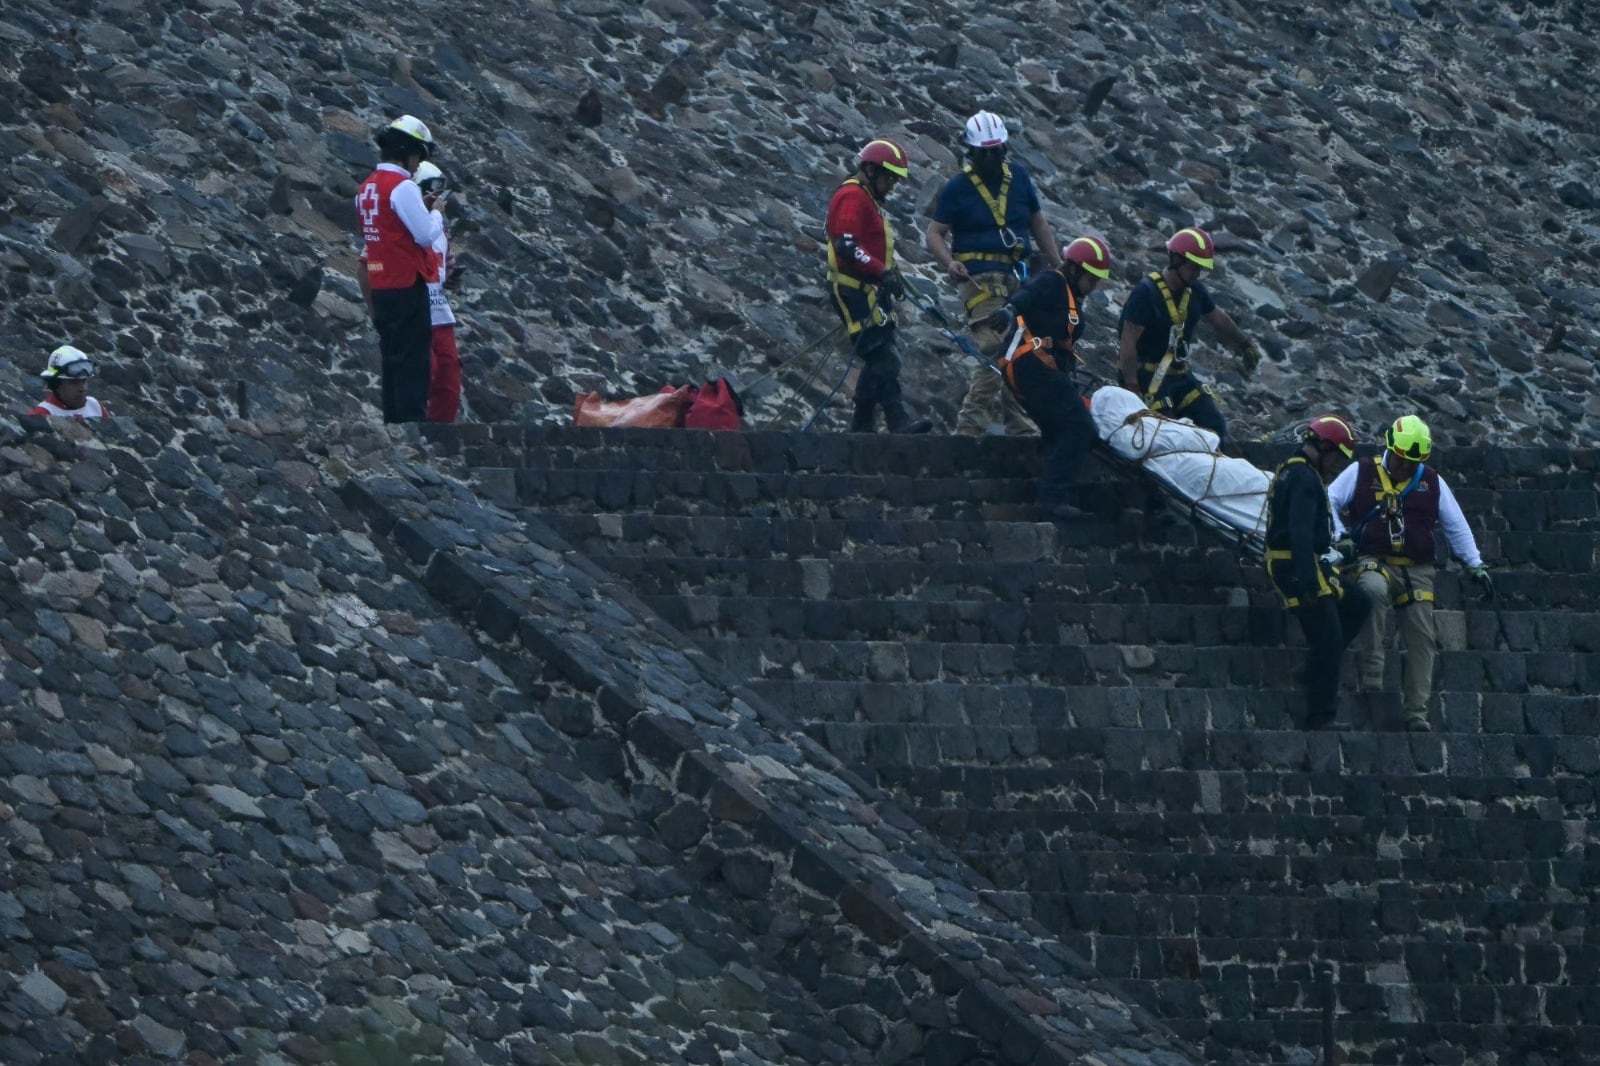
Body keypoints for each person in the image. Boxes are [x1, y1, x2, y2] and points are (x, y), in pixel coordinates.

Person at [1329, 414, 1494, 731]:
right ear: (1390, 447)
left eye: (1411, 462)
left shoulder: (1431, 481)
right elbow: (1329, 498)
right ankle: (1373, 672)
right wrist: (1340, 535)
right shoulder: (1362, 471)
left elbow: (1455, 524)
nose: (1405, 467)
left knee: (1423, 638)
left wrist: (1475, 564)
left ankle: (1416, 712)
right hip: (1373, 560)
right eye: (1401, 460)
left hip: (1417, 570)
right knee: (1373, 591)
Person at [926, 111, 1060, 437]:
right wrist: (949, 263)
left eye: (996, 151)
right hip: (980, 280)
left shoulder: (1019, 178)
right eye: (984, 153)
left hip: (1018, 277)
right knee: (996, 349)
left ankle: (1020, 427)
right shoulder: (958, 187)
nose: (991, 158)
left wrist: (1058, 263)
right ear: (971, 153)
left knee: (1021, 350)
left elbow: (1037, 222)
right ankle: (969, 428)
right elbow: (934, 233)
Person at [985, 237, 1111, 520]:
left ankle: (1053, 492)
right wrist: (1009, 311)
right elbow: (1025, 296)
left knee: (1060, 430)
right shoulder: (1053, 282)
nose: (1094, 286)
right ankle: (1052, 499)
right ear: (1075, 270)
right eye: (1092, 279)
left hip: (1041, 369)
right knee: (1080, 427)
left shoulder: (1069, 295)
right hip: (1030, 366)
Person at [1263, 416, 1372, 730]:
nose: (1337, 465)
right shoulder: (1304, 480)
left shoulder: (1298, 472)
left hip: (1305, 563)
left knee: (1359, 603)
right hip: (1297, 567)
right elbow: (1298, 533)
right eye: (1337, 456)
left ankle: (1315, 667)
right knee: (1328, 638)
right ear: (1323, 448)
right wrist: (1309, 584)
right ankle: (1321, 716)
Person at [825, 137, 931, 434]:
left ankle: (861, 427)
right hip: (853, 290)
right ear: (871, 170)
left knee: (881, 356)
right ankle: (896, 421)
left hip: (869, 290)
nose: (892, 186)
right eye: (890, 178)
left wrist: (890, 275)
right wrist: (880, 271)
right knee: (883, 357)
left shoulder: (867, 199)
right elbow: (847, 245)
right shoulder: (853, 197)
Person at [1116, 227, 1261, 445]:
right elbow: (1128, 343)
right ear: (1175, 259)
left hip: (1179, 377)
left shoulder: (1195, 291)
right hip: (1148, 379)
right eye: (1193, 267)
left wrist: (1245, 343)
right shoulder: (1146, 293)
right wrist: (1131, 385)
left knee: (1214, 426)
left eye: (1200, 269)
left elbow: (1219, 319)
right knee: (1168, 433)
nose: (1197, 273)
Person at [356, 114, 443, 424]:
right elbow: (423, 234)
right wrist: (435, 214)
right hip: (406, 281)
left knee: (391, 355)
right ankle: (412, 422)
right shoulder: (402, 186)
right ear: (407, 151)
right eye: (418, 155)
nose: (418, 164)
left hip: (381, 282)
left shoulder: (366, 187)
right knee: (413, 358)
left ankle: (393, 420)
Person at [413, 161, 462, 423]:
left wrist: (452, 280)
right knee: (424, 371)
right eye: (430, 192)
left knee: (449, 377)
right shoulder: (403, 224)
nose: (436, 198)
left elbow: (446, 266)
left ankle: (441, 435)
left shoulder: (441, 230)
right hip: (415, 311)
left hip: (440, 314)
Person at [26, 345, 110, 419]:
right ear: (55, 384)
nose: (82, 388)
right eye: (74, 382)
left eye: (84, 381)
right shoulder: (42, 414)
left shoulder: (95, 405)